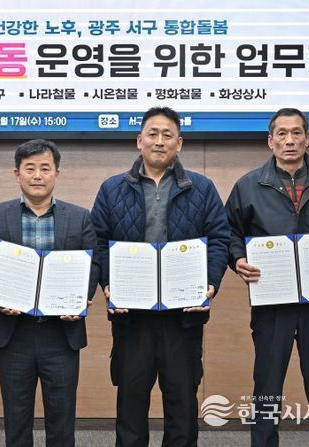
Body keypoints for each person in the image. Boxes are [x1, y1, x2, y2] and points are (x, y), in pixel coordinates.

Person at [90, 106, 230, 447]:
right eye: (152, 134)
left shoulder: (202, 188)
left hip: (183, 317)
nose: (159, 141)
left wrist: (210, 285)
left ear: (178, 143)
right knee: (131, 404)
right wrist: (107, 285)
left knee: (182, 406)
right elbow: (97, 242)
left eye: (168, 135)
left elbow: (219, 239)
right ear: (139, 140)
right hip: (132, 317)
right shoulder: (111, 189)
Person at [225, 108, 309, 447]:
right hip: (272, 302)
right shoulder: (248, 185)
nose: (289, 140)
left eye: (296, 133)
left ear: (307, 139)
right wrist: (238, 259)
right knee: (267, 388)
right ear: (270, 141)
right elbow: (229, 234)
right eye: (282, 133)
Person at [0, 139, 100, 447]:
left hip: (61, 333)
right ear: (17, 174)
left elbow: (93, 263)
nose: (38, 176)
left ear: (57, 173)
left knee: (62, 418)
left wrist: (80, 300)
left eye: (45, 168)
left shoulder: (79, 217)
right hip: (14, 332)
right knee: (16, 418)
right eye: (30, 168)